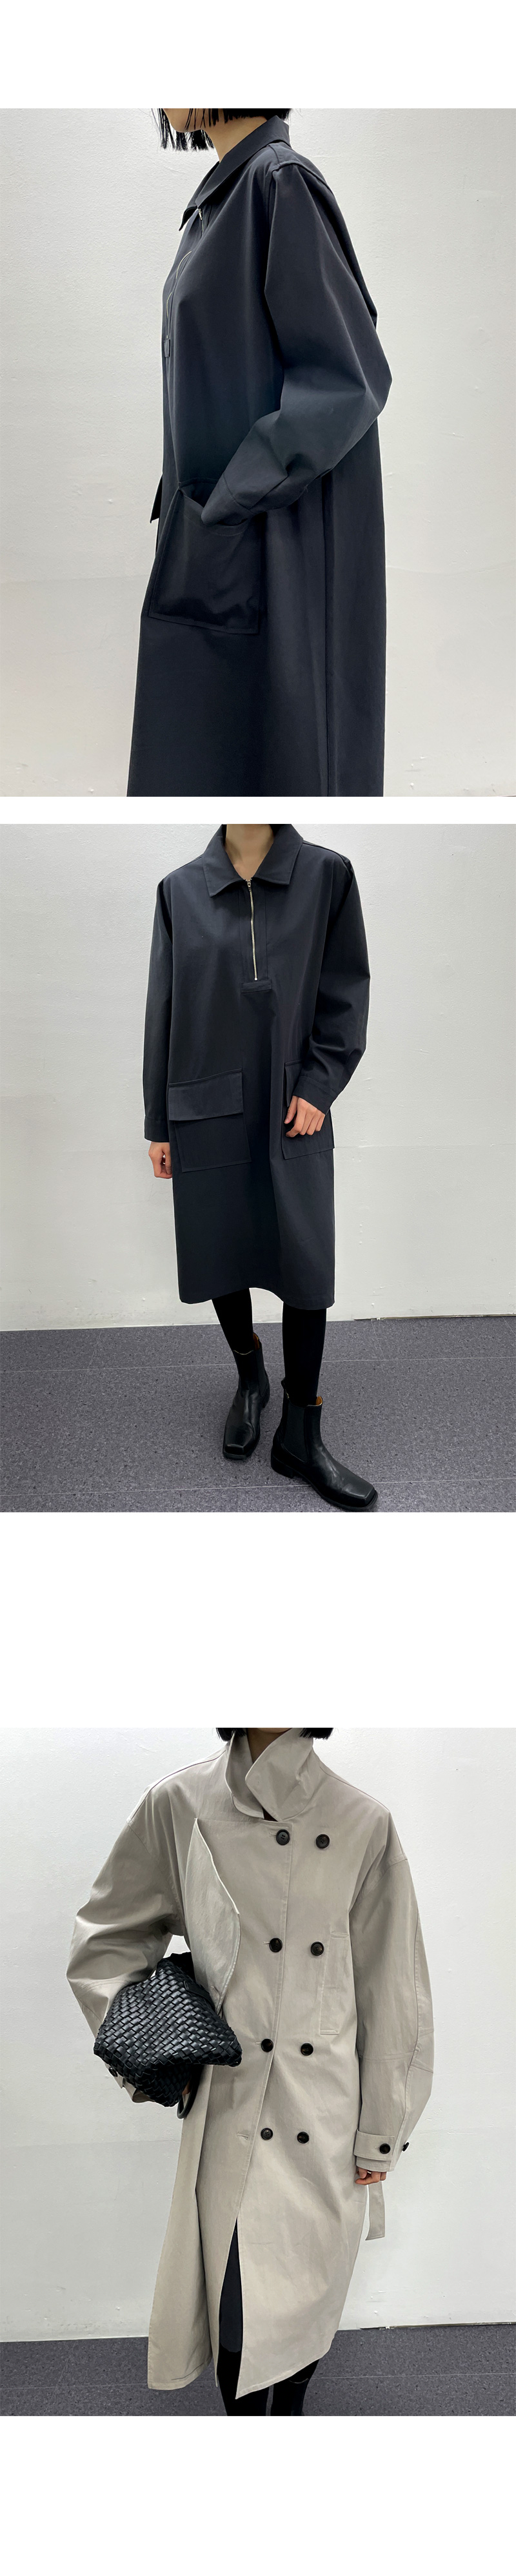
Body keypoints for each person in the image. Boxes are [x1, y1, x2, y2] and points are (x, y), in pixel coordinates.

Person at [66, 1726, 434, 2415]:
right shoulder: (179, 1803)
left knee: (306, 2304)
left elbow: (393, 1987)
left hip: (325, 2112)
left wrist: (381, 2127)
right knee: (235, 2308)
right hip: (231, 2103)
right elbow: (108, 1939)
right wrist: (148, 2051)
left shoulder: (362, 1822)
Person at [127, 111, 392, 795]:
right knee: (204, 748)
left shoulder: (279, 184)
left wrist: (230, 496)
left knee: (283, 747)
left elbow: (347, 378)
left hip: (276, 539)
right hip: (218, 533)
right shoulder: (219, 202)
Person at [143, 821, 377, 1509]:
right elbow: (162, 1007)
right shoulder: (179, 890)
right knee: (223, 1250)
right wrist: (157, 1123)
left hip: (289, 1104)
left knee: (305, 1263)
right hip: (204, 1102)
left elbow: (345, 990)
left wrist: (320, 1084)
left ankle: (300, 1432)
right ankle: (250, 1378)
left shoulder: (327, 876)